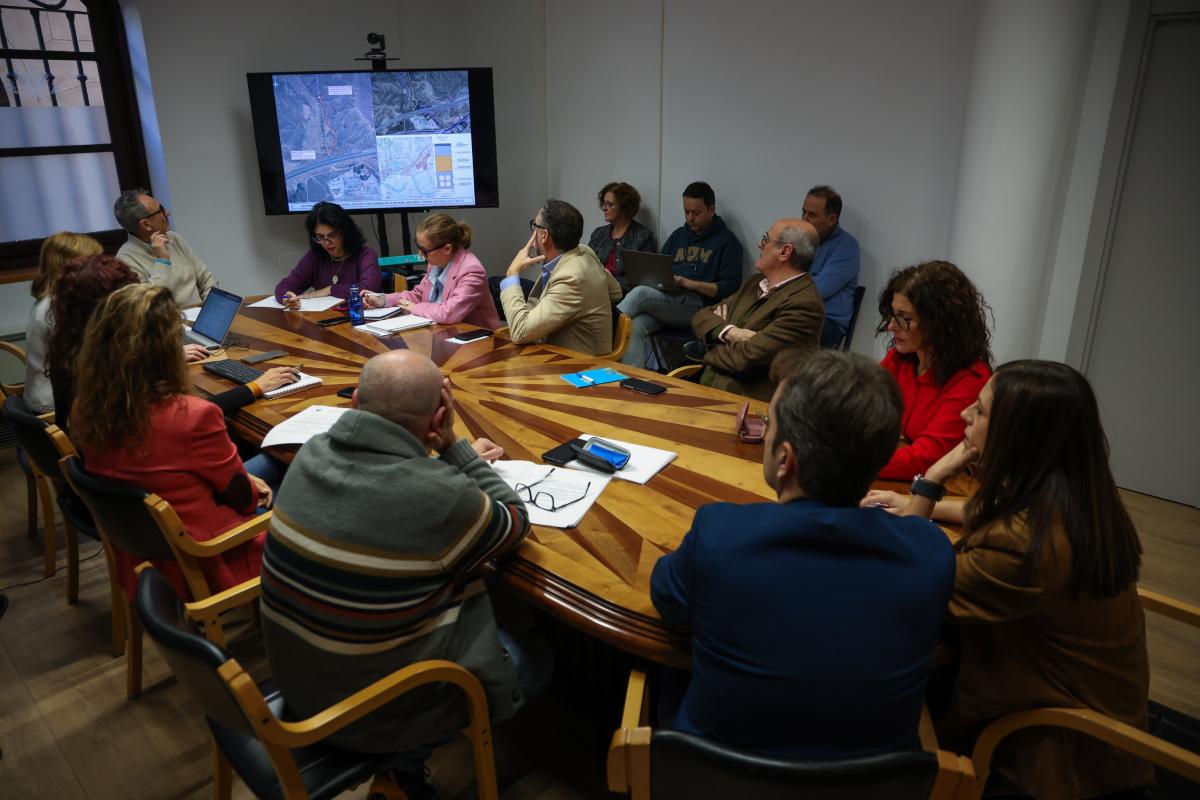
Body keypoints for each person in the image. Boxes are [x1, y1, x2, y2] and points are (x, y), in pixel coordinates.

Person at [259, 350, 550, 787]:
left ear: (355, 402)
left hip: (300, 684)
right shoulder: (438, 495)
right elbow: (514, 521)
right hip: (366, 714)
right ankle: (405, 769)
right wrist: (455, 449)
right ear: (439, 419)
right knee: (536, 658)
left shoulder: (312, 453)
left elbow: (390, 491)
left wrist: (442, 470)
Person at [863, 360, 1151, 798]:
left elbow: (910, 590)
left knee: (870, 674)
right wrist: (919, 503)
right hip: (1091, 726)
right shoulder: (1076, 501)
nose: (964, 416)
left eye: (978, 412)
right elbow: (985, 511)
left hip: (1050, 756)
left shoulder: (1024, 547)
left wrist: (933, 479)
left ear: (1017, 437)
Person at [652, 349, 955, 759]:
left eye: (769, 424)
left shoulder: (720, 534)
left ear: (785, 458)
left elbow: (667, 599)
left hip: (716, 778)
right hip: (870, 787)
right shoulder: (931, 553)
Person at [71, 283, 273, 601]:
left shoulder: (86, 405)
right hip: (204, 553)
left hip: (137, 547)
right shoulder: (192, 416)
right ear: (166, 350)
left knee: (268, 461)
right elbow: (245, 501)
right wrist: (247, 484)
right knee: (295, 486)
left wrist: (243, 477)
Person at [45, 255, 299, 435]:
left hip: (103, 473)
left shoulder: (74, 346)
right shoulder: (108, 367)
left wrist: (168, 356)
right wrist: (255, 386)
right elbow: (185, 417)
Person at [874, 260, 992, 480]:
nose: (891, 326)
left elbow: (927, 457)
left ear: (939, 322)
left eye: (905, 319)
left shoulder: (970, 378)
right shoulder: (900, 360)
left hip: (948, 490)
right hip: (907, 477)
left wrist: (846, 463)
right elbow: (859, 410)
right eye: (893, 314)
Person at [689, 219, 823, 401]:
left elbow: (745, 358)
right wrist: (731, 332)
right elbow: (701, 317)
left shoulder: (804, 305)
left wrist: (709, 345)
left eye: (766, 239)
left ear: (784, 252)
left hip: (744, 407)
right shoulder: (754, 283)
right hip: (703, 387)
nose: (760, 245)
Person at [619, 181, 744, 367]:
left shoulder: (727, 241)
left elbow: (730, 287)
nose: (690, 218)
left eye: (696, 212)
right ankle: (631, 379)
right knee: (635, 326)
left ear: (711, 209)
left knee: (641, 294)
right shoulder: (679, 236)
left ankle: (602, 339)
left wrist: (690, 283)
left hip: (699, 307)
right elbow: (660, 267)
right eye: (687, 212)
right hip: (670, 300)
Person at [499, 200, 623, 356]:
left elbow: (520, 332)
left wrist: (512, 273)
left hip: (579, 369)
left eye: (535, 226)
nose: (533, 233)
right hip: (554, 356)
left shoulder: (572, 277)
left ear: (544, 235)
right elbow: (616, 292)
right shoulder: (583, 251)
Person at [361, 213, 499, 328]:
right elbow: (419, 295)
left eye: (425, 250)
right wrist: (383, 300)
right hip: (440, 332)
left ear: (447, 249)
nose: (420, 255)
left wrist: (414, 307)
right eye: (418, 247)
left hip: (477, 343)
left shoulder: (472, 271)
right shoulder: (436, 263)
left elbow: (449, 313)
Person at [23, 232, 103, 413]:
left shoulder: (52, 298)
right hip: (56, 405)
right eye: (93, 262)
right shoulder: (61, 308)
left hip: (43, 392)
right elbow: (94, 363)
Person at [114, 188, 217, 308]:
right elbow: (149, 305)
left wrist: (211, 309)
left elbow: (206, 279)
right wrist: (162, 261)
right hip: (169, 324)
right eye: (161, 210)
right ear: (146, 225)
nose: (167, 213)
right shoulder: (125, 260)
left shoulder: (174, 238)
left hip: (201, 315)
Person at [274, 201, 381, 307]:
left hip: (360, 318)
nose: (326, 242)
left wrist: (330, 289)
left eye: (332, 235)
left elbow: (368, 289)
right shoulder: (315, 256)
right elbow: (285, 285)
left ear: (345, 232)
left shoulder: (366, 254)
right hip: (325, 319)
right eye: (320, 237)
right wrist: (286, 299)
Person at [801, 185, 861, 347]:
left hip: (826, 323)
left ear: (832, 219)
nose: (804, 219)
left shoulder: (847, 246)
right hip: (796, 312)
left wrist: (791, 282)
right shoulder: (799, 239)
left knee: (781, 338)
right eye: (803, 212)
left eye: (811, 215)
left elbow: (819, 289)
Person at [586, 181, 657, 293]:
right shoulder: (599, 233)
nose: (604, 208)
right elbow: (586, 265)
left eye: (610, 204)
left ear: (624, 207)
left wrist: (608, 287)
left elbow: (642, 279)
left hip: (622, 294)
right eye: (604, 204)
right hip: (594, 288)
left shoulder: (643, 235)